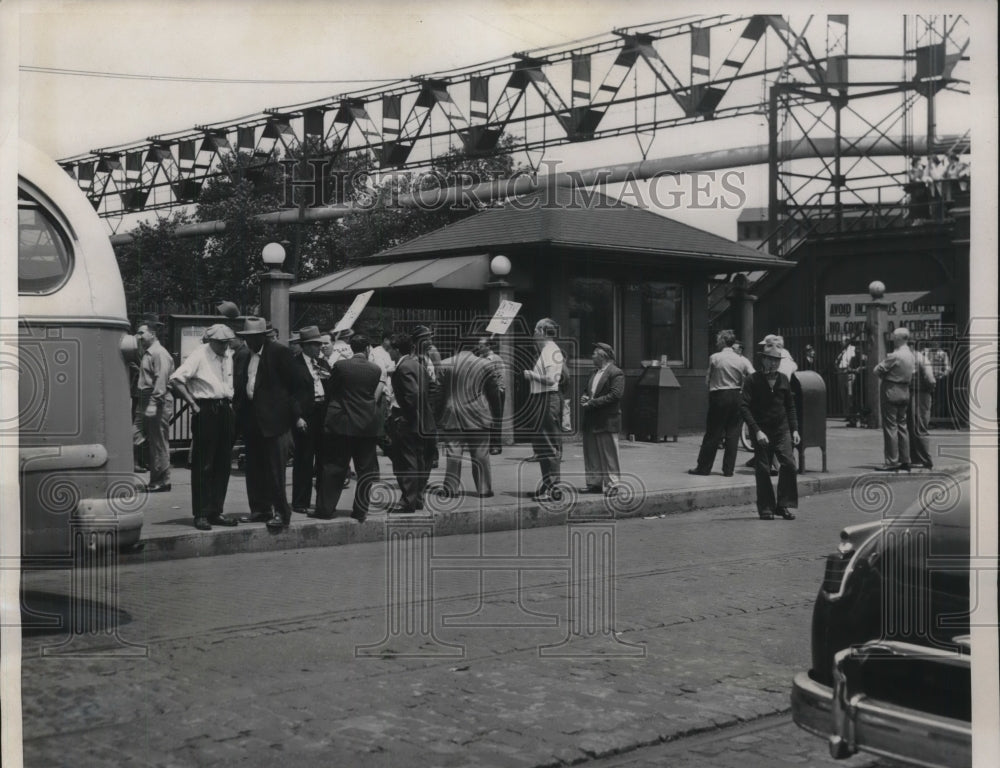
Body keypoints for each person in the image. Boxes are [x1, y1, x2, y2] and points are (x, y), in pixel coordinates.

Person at [233, 316, 308, 531]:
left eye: (253, 337)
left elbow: (297, 386)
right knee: (254, 467)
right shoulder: (244, 356)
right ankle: (259, 509)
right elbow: (242, 385)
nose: (249, 341)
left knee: (276, 470)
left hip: (276, 422)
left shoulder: (279, 353)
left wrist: (289, 415)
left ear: (262, 336)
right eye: (246, 338)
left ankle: (281, 513)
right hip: (252, 420)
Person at [168, 324, 239, 530]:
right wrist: (192, 403)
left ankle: (216, 510)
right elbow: (176, 380)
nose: (224, 346)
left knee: (223, 463)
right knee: (204, 464)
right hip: (207, 409)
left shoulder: (228, 356)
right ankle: (200, 513)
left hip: (225, 408)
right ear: (211, 341)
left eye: (227, 342)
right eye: (220, 343)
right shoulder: (200, 355)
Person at [315, 334, 383, 522]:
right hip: (367, 424)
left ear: (351, 348)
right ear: (368, 348)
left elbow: (332, 391)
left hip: (342, 423)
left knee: (334, 467)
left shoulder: (341, 367)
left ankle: (325, 509)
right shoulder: (375, 370)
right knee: (365, 470)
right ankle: (360, 510)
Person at [740, 343, 800, 520]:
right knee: (763, 469)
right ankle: (766, 507)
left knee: (789, 464)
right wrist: (756, 431)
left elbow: (790, 406)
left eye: (777, 360)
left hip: (782, 430)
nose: (774, 364)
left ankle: (783, 505)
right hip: (762, 431)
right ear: (763, 360)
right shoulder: (752, 380)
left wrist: (795, 429)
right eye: (770, 360)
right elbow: (744, 407)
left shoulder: (783, 379)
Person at [436, 342, 502, 499]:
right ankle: (484, 489)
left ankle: (451, 489)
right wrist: (497, 415)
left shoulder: (445, 364)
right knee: (481, 454)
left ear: (456, 348)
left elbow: (438, 394)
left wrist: (437, 415)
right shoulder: (485, 364)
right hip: (478, 414)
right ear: (475, 349)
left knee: (453, 454)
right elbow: (494, 392)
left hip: (453, 414)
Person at [690, 329, 755, 477]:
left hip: (719, 395)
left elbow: (708, 379)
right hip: (737, 396)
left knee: (713, 433)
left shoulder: (715, 357)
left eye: (719, 339)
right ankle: (728, 470)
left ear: (723, 341)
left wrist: (712, 387)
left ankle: (704, 468)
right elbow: (753, 375)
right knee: (733, 433)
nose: (717, 341)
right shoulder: (742, 360)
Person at [388, 333, 436, 512]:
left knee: (407, 462)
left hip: (410, 422)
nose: (389, 352)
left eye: (391, 349)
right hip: (423, 421)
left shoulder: (404, 367)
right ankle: (417, 498)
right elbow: (431, 387)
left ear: (397, 350)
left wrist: (406, 415)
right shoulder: (417, 364)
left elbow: (412, 394)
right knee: (420, 461)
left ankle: (408, 501)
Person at [523, 317, 564, 501]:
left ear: (541, 331)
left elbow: (551, 379)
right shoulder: (547, 351)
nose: (533, 334)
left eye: (535, 330)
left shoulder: (550, 351)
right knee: (542, 445)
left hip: (547, 400)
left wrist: (531, 375)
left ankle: (553, 488)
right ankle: (547, 486)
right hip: (542, 399)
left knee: (548, 444)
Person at [291, 326, 331, 514]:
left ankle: (323, 500)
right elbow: (289, 394)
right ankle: (300, 501)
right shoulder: (294, 365)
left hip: (323, 413)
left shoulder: (323, 363)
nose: (319, 348)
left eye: (320, 344)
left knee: (324, 459)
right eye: (316, 345)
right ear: (306, 346)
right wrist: (297, 417)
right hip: (306, 414)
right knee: (304, 459)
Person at [134, 321, 175, 493]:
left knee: (158, 442)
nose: (139, 336)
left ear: (152, 334)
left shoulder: (159, 353)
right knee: (135, 435)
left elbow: (161, 380)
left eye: (142, 333)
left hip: (156, 399)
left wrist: (153, 403)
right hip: (145, 399)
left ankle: (162, 480)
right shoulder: (147, 353)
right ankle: (157, 477)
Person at [579, 342, 624, 495]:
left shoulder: (616, 373)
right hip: (592, 418)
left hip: (607, 419)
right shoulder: (593, 372)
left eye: (594, 354)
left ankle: (613, 485)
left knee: (609, 453)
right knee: (591, 452)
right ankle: (594, 483)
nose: (592, 356)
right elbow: (588, 390)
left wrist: (593, 402)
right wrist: (585, 397)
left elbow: (615, 395)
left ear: (603, 356)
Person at [873, 327, 916, 471]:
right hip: (905, 390)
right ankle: (905, 459)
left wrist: (885, 376)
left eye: (894, 337)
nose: (892, 339)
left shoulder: (895, 355)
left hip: (892, 389)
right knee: (902, 425)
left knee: (890, 426)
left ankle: (892, 461)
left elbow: (877, 370)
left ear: (899, 338)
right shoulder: (910, 355)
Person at [475, 337, 506, 455]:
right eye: (479, 345)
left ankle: (496, 445)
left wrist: (500, 388)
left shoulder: (495, 358)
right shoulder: (481, 359)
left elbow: (501, 374)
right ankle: (487, 443)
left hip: (495, 390)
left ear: (488, 346)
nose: (479, 347)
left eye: (481, 345)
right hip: (485, 391)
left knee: (496, 417)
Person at [908, 346, 937, 470]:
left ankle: (921, 459)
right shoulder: (918, 358)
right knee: (917, 425)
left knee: (916, 425)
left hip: (916, 393)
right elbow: (930, 380)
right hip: (918, 393)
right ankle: (920, 459)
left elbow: (930, 379)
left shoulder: (916, 358)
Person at [834, 336, 858, 426]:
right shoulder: (842, 351)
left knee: (850, 395)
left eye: (842, 341)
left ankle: (852, 415)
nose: (841, 343)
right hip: (841, 372)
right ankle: (847, 414)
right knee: (843, 395)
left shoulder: (853, 349)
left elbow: (855, 361)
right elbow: (836, 361)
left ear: (847, 341)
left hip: (848, 372)